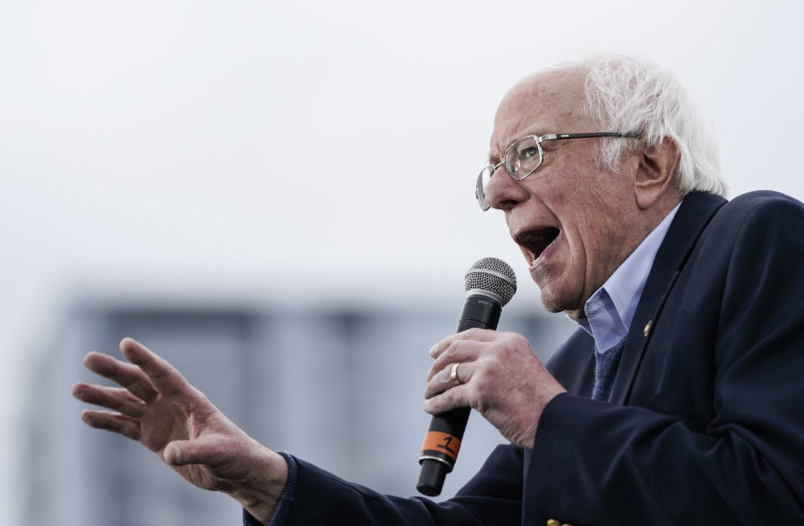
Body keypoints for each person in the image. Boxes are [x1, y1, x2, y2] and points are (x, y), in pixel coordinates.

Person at [72, 53, 804, 525]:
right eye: (491, 170)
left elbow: (777, 493)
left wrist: (545, 417)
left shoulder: (759, 238)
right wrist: (269, 484)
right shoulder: (581, 369)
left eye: (529, 152)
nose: (498, 193)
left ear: (648, 163)